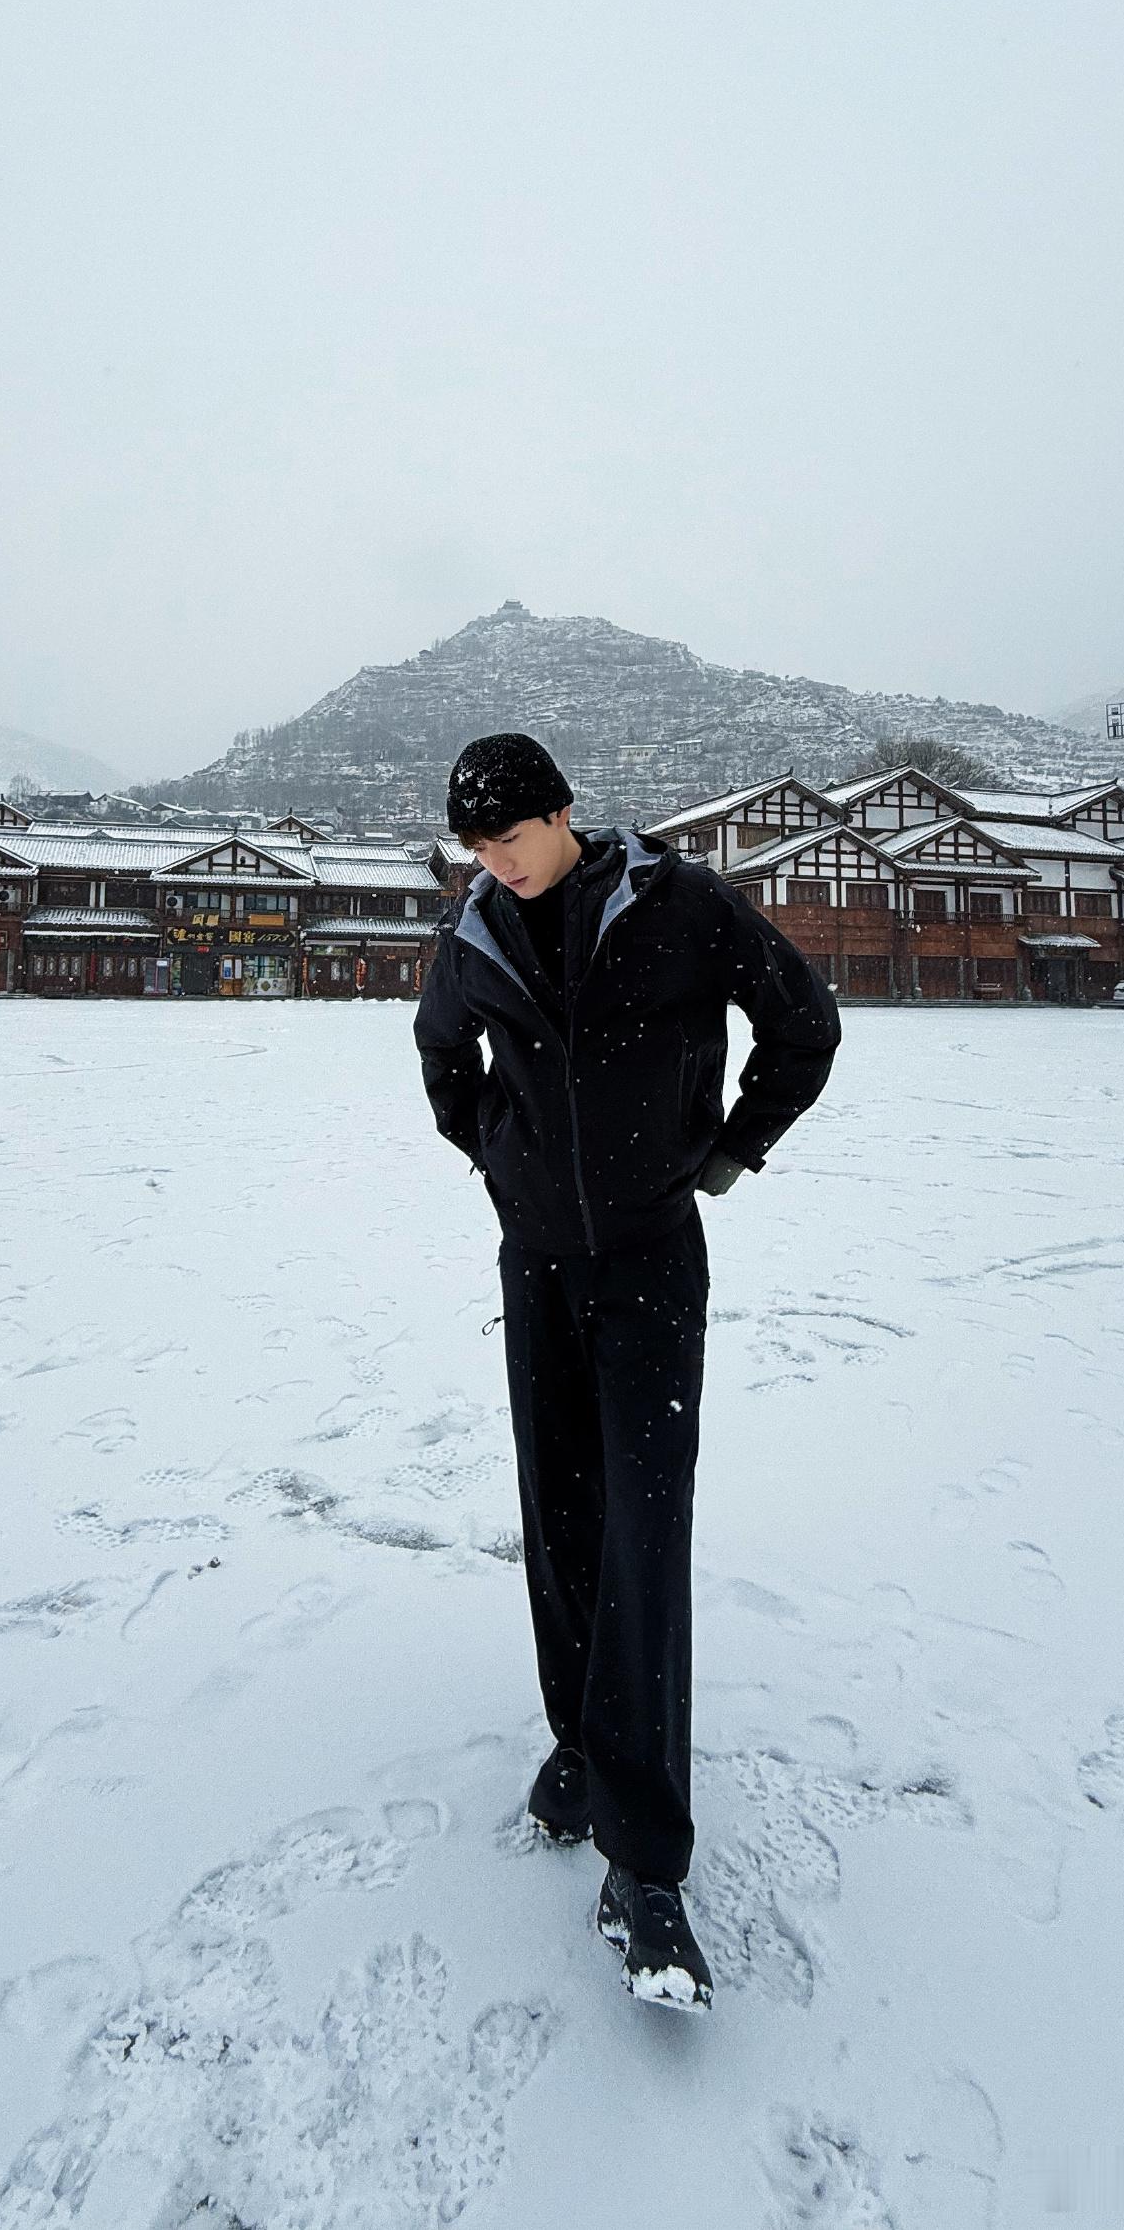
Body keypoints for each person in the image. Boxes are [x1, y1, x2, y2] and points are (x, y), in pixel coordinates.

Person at [413, 733, 839, 2013]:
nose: (494, 866)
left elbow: (803, 1024)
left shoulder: (676, 903)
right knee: (559, 1518)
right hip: (536, 1262)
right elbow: (441, 1058)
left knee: (643, 1530)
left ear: (561, 814)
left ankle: (646, 1863)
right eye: (475, 851)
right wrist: (496, 1152)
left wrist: (728, 1151)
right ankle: (577, 1743)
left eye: (509, 840)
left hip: (651, 1258)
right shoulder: (474, 933)